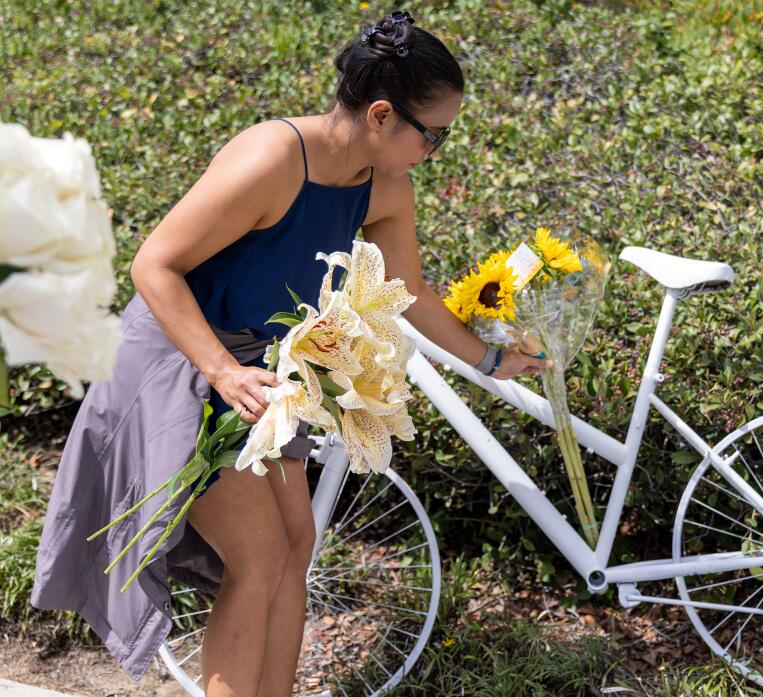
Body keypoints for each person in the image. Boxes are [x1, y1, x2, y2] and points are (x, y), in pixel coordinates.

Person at [30, 11, 550, 696]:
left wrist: (491, 360)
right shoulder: (271, 158)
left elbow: (411, 292)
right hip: (182, 361)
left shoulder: (385, 186)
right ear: (382, 114)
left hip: (260, 375)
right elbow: (154, 266)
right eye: (436, 135)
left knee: (295, 548)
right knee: (260, 555)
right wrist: (220, 368)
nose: (436, 149)